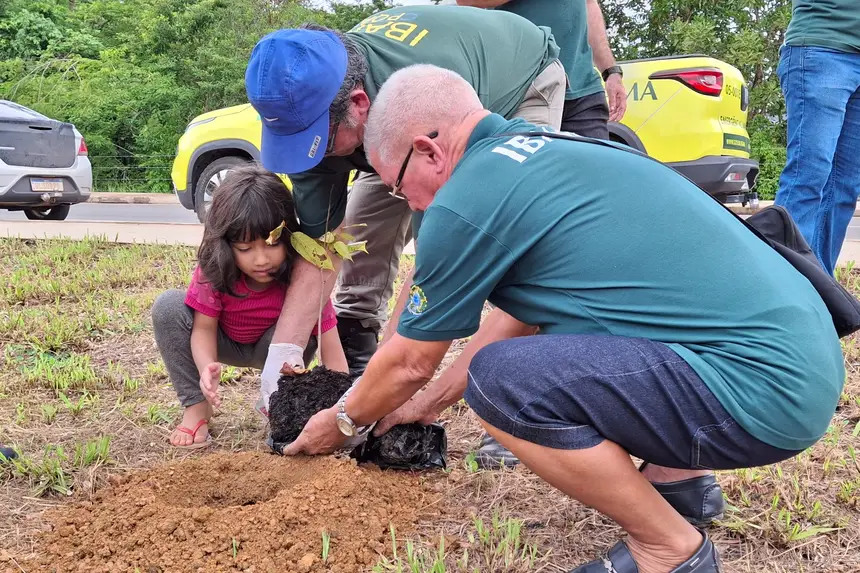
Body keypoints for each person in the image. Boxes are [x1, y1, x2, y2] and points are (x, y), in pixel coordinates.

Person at [281, 65, 845, 573]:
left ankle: (669, 550)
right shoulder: (547, 148)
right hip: (801, 363)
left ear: (430, 151)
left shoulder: (465, 199)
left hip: (761, 394)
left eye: (402, 186)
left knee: (502, 382)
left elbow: (409, 360)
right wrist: (423, 409)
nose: (413, 206)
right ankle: (679, 484)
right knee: (549, 350)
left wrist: (342, 422)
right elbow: (517, 319)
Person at [243, 4, 568, 390]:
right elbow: (321, 247)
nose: (308, 160)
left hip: (516, 81)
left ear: (358, 104)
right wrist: (284, 349)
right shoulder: (315, 106)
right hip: (388, 123)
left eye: (317, 143)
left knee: (508, 248)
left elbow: (438, 256)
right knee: (363, 230)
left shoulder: (423, 104)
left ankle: (518, 394)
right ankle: (359, 346)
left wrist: (388, 380)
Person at [453, 0, 627, 470]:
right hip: (517, 85)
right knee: (521, 246)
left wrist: (609, 67)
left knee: (590, 245)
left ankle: (581, 396)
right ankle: (516, 405)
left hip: (581, 90)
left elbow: (587, 4)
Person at [152, 164, 348, 449]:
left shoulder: (301, 277)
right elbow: (204, 328)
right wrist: (207, 368)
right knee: (168, 307)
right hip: (227, 342)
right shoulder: (215, 268)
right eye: (245, 249)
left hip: (276, 349)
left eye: (272, 245)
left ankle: (280, 413)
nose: (261, 260)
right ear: (226, 246)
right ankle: (197, 409)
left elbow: (331, 347)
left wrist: (341, 411)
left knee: (303, 328)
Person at [774, 0, 860, 276]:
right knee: (807, 177)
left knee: (844, 190)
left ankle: (819, 288)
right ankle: (779, 284)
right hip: (823, 46)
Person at [455, 0, 626, 137]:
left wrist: (610, 71)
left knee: (593, 174)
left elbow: (589, 5)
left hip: (583, 89)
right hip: (521, 92)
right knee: (526, 175)